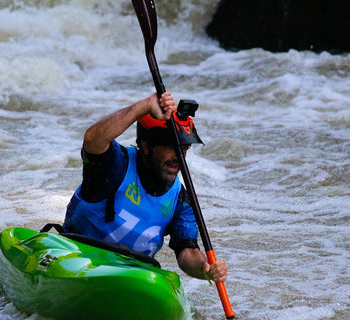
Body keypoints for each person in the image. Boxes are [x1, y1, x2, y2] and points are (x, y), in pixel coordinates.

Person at [63, 92, 227, 283]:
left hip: (133, 274)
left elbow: (187, 252)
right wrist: (144, 106)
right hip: (79, 258)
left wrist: (205, 268)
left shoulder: (181, 199)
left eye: (184, 148)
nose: (179, 156)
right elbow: (92, 139)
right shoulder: (115, 165)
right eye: (170, 147)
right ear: (146, 146)